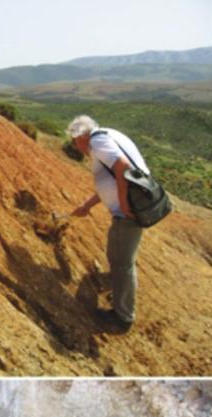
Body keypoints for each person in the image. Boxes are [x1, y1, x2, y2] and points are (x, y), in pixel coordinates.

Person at [68, 115, 149, 331]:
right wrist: (87, 205)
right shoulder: (107, 135)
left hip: (129, 211)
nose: (76, 147)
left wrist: (123, 204)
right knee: (122, 259)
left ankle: (123, 318)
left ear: (81, 136)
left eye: (75, 142)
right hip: (138, 203)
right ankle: (118, 288)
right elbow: (112, 178)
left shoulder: (97, 142)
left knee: (121, 263)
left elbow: (122, 167)